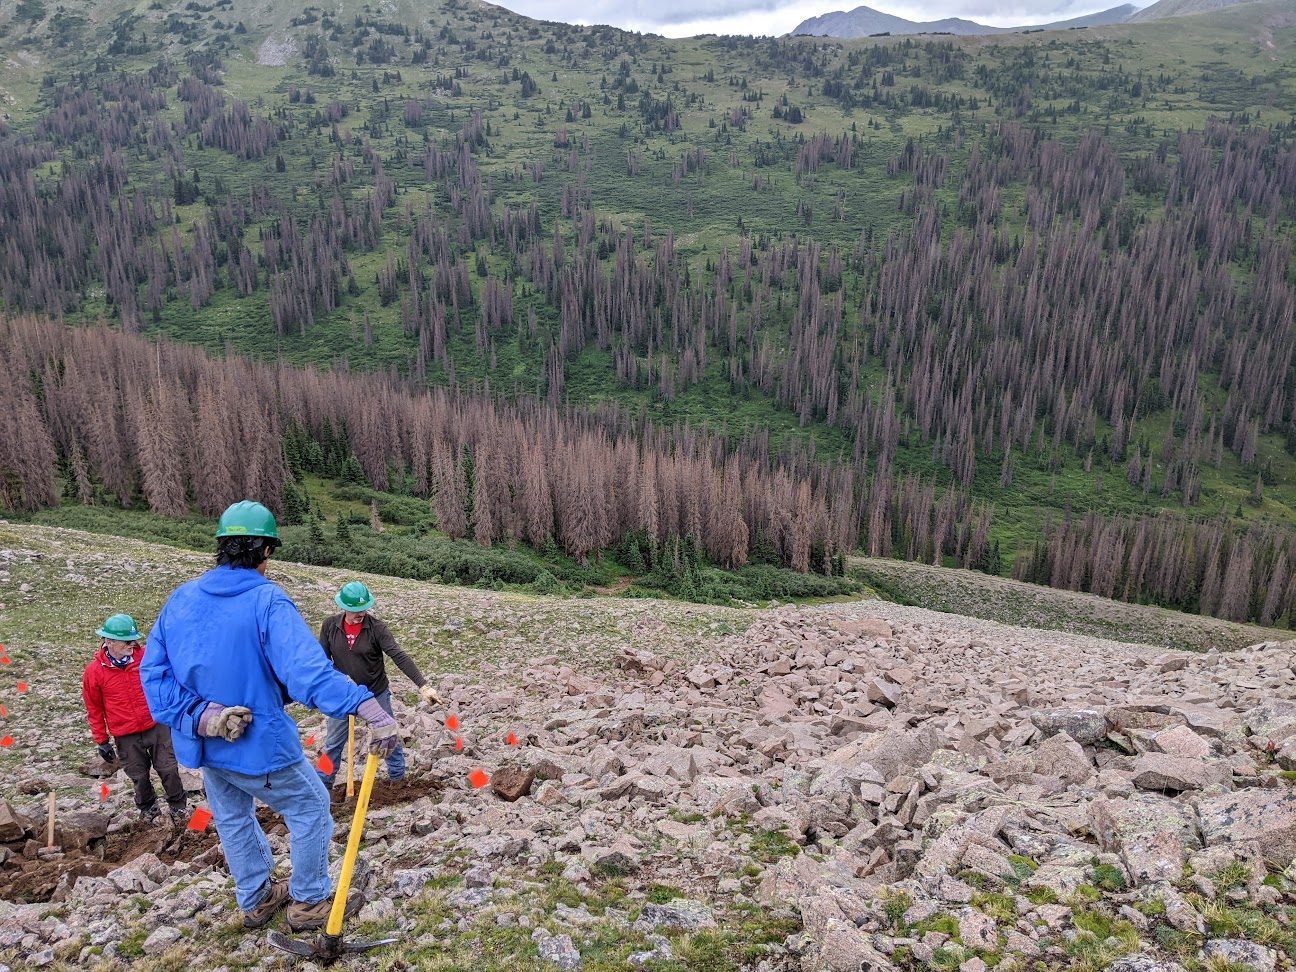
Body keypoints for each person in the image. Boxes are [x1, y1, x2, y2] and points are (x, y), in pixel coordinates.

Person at [141, 501, 400, 933]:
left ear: (222, 547)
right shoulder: (267, 601)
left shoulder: (181, 600)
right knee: (312, 807)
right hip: (259, 745)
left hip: (206, 744)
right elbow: (308, 673)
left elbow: (153, 677)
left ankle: (256, 897)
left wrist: (203, 716)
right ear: (264, 552)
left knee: (232, 817)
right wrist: (364, 704)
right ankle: (311, 901)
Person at [316, 581, 439, 788]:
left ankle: (398, 779)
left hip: (375, 692)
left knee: (387, 734)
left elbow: (398, 655)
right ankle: (323, 786)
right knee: (332, 744)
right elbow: (321, 660)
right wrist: (336, 679)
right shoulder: (330, 626)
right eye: (356, 610)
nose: (361, 614)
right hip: (344, 694)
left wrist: (423, 685)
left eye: (363, 609)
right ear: (344, 607)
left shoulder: (377, 628)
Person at [82, 613, 188, 823]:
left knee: (168, 769)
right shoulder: (94, 672)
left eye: (134, 639)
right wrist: (101, 741)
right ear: (110, 641)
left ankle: (179, 808)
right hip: (125, 734)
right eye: (127, 641)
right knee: (138, 776)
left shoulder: (147, 657)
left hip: (156, 724)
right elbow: (94, 708)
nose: (133, 644)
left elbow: (169, 680)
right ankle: (149, 810)